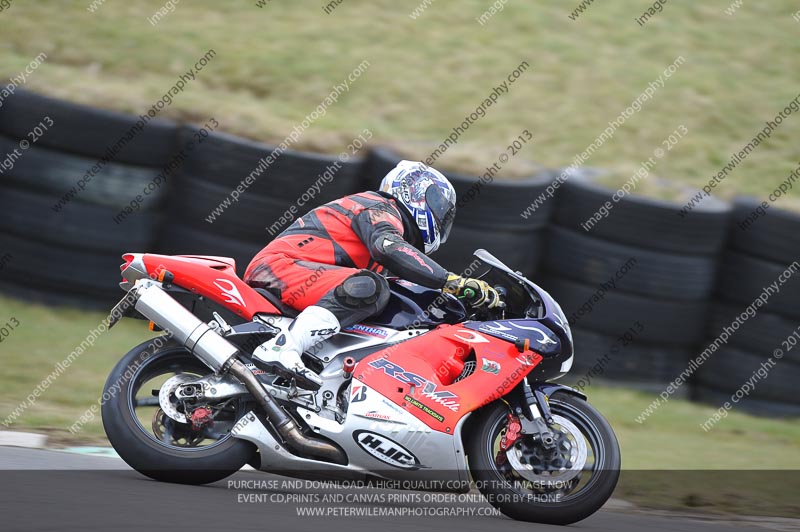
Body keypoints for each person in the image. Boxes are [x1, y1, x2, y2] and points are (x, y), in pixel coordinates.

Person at [244, 160, 501, 389]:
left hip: (299, 276)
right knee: (370, 287)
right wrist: (451, 281)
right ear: (415, 191)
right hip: (279, 268)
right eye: (437, 205)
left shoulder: (383, 224)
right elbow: (388, 248)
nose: (441, 216)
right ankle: (283, 347)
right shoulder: (378, 207)